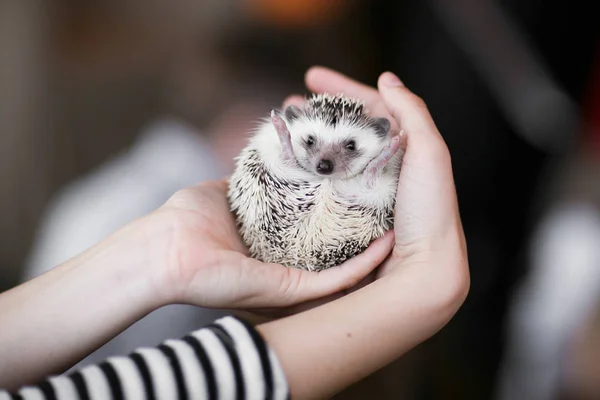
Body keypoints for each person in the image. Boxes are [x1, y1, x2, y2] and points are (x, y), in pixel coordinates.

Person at [0, 68, 470, 399]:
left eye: (346, 149)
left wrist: (165, 253)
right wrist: (420, 287)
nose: (323, 166)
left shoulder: (96, 197)